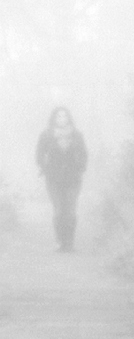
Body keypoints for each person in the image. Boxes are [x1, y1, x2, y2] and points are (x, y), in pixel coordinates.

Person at [35, 107, 88, 252]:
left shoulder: (77, 135)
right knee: (58, 210)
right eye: (59, 116)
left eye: (64, 116)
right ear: (54, 119)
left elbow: (84, 153)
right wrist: (44, 167)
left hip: (73, 178)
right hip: (53, 179)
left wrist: (81, 167)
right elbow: (39, 154)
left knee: (70, 210)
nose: (62, 119)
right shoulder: (46, 135)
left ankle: (69, 242)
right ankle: (60, 241)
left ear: (69, 118)